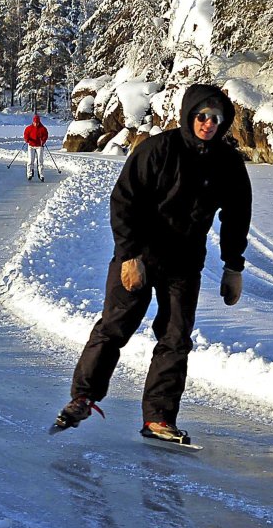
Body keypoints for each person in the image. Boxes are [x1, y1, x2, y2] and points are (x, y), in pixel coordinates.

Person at [55, 84, 252, 443]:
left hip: (185, 263)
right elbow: (124, 202)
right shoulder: (158, 149)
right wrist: (129, 255)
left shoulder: (227, 162)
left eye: (216, 119)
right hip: (139, 256)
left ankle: (159, 418)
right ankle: (82, 397)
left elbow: (237, 215)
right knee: (115, 327)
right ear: (190, 115)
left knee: (175, 338)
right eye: (202, 116)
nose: (208, 123)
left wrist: (233, 266)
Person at [23, 113, 49, 181]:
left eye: (37, 122)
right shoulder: (29, 128)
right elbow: (26, 134)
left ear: (39, 122)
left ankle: (41, 174)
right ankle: (29, 173)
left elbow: (45, 135)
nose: (36, 124)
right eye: (35, 122)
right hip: (31, 145)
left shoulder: (43, 128)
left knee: (40, 161)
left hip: (39, 146)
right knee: (30, 160)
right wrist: (27, 139)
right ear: (33, 122)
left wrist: (43, 140)